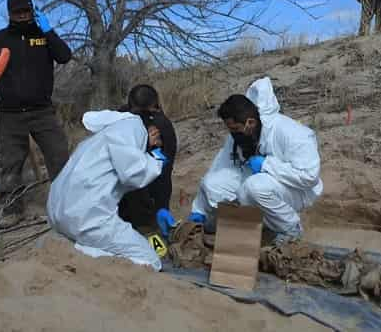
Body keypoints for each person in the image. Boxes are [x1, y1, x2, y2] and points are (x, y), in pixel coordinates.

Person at [156, 77, 323, 245]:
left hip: (298, 190)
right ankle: (216, 226)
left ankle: (291, 229)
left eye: (235, 128)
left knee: (253, 188)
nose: (232, 133)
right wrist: (198, 211)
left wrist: (266, 165)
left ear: (250, 122)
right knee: (213, 184)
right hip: (258, 185)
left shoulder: (292, 133)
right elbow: (218, 170)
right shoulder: (239, 136)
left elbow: (309, 177)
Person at [0, 0, 72, 229]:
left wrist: (49, 31)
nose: (23, 15)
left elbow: (65, 56)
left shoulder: (43, 36)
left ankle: (66, 205)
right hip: (10, 114)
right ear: (10, 14)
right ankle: (13, 210)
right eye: (18, 12)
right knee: (10, 163)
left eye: (26, 11)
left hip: (42, 112)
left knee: (59, 157)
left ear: (32, 11)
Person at [47, 109, 169, 271]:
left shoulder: (104, 136)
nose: (154, 146)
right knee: (150, 260)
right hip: (85, 218)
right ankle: (80, 253)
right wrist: (157, 159)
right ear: (153, 131)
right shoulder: (133, 129)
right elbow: (133, 174)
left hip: (58, 212)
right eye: (156, 142)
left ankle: (74, 246)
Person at [118, 85, 177, 234]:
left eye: (148, 112)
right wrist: (144, 144)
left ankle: (149, 221)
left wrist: (162, 207)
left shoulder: (162, 125)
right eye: (139, 113)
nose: (143, 117)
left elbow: (165, 172)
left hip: (149, 181)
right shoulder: (118, 120)